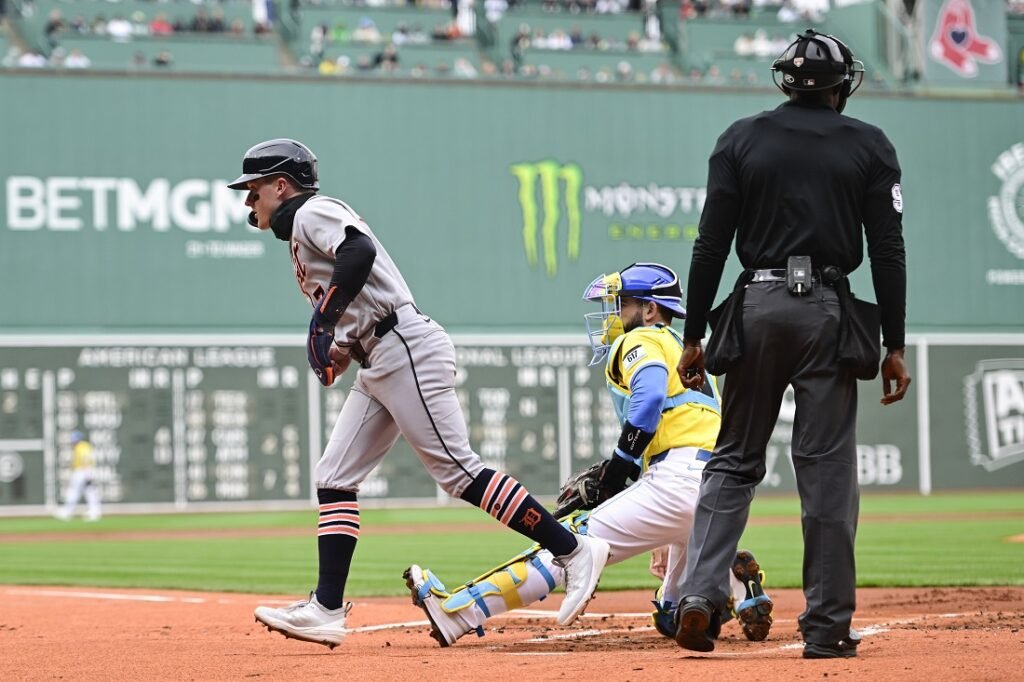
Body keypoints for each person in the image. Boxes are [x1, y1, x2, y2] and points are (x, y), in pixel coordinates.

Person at [227, 139, 609, 649]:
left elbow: (358, 252)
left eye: (253, 190)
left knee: (459, 472)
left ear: (281, 185)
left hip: (404, 345)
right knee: (335, 477)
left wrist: (322, 323)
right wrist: (341, 345)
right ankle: (326, 608)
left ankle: (573, 549)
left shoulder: (312, 210)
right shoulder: (301, 229)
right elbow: (359, 292)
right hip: (378, 353)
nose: (249, 202)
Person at [673, 30, 911, 659]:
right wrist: (895, 343)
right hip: (827, 312)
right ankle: (828, 628)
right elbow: (887, 251)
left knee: (733, 459)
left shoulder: (740, 137)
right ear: (841, 84)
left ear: (785, 80)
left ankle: (699, 595)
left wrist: (694, 333)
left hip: (754, 306)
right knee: (825, 468)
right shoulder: (868, 143)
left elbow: (709, 244)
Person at [403, 263, 772, 647]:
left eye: (621, 304)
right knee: (671, 613)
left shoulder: (641, 339)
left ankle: (458, 613)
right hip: (718, 490)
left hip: (675, 480)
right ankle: (739, 587)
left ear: (649, 310)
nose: (613, 315)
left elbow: (648, 400)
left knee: (571, 546)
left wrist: (619, 467)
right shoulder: (689, 353)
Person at [55, 431, 102, 522]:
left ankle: (67, 511)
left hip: (82, 471)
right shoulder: (85, 446)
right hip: (87, 470)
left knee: (74, 491)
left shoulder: (81, 446)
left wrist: (87, 471)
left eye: (73, 440)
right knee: (90, 491)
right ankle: (95, 512)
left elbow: (85, 458)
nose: (72, 442)